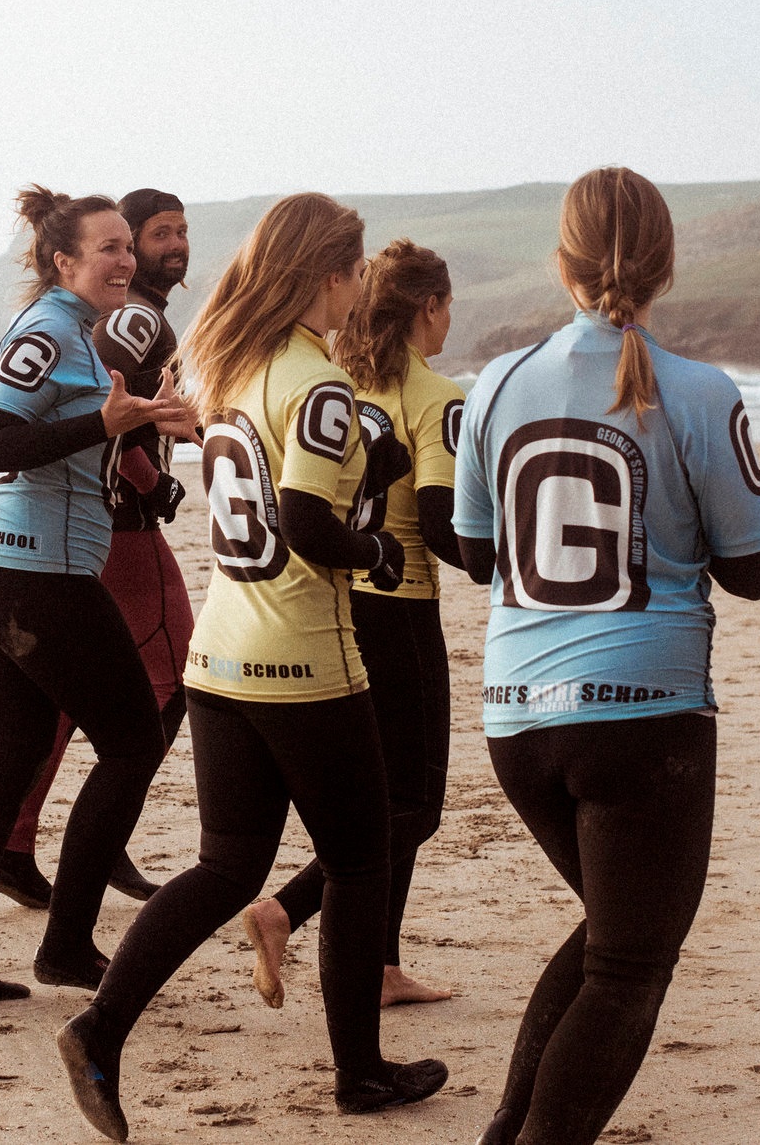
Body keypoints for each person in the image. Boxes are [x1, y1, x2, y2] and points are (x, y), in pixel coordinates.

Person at [58, 193, 449, 1141]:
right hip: (304, 658)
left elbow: (286, 487)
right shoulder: (312, 378)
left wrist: (377, 457)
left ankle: (100, 1028)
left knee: (229, 864)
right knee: (363, 858)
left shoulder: (231, 363)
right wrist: (381, 553)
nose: (360, 287)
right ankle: (359, 1072)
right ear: (327, 273)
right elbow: (312, 524)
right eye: (353, 270)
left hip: (219, 654)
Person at [457, 168, 760, 1145]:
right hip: (645, 714)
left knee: (613, 934)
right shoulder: (696, 389)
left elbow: (477, 554)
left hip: (516, 716)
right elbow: (754, 568)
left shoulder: (497, 381)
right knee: (630, 964)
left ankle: (506, 1127)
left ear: (560, 261)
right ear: (665, 264)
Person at [0, 188, 198, 1002]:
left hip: (14, 568)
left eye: (126, 248)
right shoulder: (47, 328)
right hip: (29, 573)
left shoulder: (85, 334)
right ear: (63, 261)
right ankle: (67, 946)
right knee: (134, 743)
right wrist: (105, 428)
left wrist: (147, 421)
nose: (125, 259)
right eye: (108, 247)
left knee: (9, 762)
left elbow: (94, 427)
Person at [244, 239, 465, 1011]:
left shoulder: (344, 380)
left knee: (386, 794)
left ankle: (380, 966)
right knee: (414, 805)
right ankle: (285, 911)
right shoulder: (435, 394)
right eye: (446, 304)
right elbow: (438, 524)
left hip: (339, 601)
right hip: (400, 606)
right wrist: (512, 570)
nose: (449, 318)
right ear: (428, 307)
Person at [0, 188, 196, 912]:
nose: (172, 245)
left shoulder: (116, 310)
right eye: (156, 234)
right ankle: (97, 835)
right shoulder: (136, 315)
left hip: (90, 524)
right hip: (119, 524)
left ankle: (18, 842)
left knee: (70, 694)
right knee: (171, 674)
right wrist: (147, 475)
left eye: (180, 231)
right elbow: (98, 404)